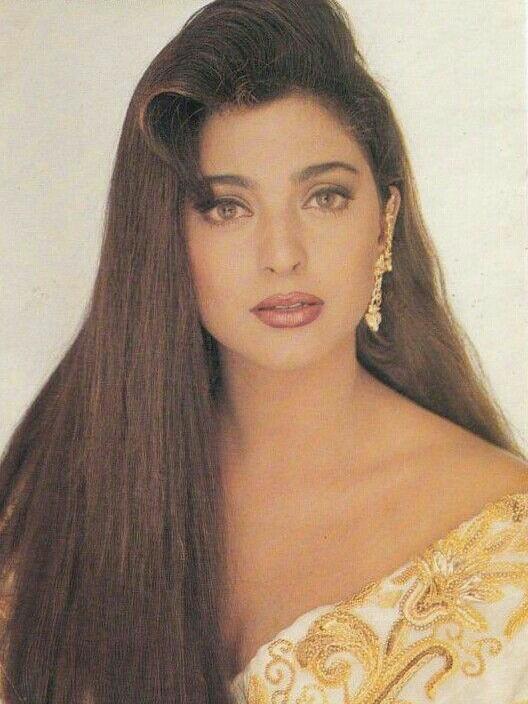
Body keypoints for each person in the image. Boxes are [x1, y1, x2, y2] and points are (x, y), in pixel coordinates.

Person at [0, 0, 527, 702]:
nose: (282, 254)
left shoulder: (504, 552)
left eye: (324, 197)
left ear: (384, 222)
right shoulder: (56, 495)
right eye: (228, 207)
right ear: (166, 239)